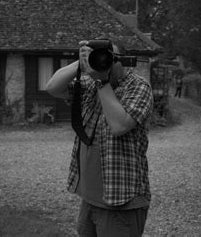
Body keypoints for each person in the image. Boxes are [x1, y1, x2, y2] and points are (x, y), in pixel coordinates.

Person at [45, 40, 153, 236]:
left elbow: (119, 126)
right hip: (90, 198)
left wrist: (102, 81)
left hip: (122, 200)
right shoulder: (90, 82)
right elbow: (52, 87)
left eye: (107, 56)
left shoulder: (138, 86)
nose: (103, 60)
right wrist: (82, 61)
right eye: (99, 56)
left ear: (122, 60)